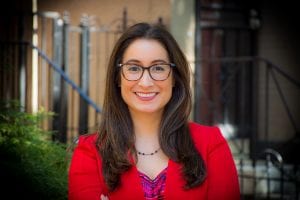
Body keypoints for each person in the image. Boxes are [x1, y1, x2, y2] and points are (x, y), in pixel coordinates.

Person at [68, 22, 240, 200]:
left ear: (175, 78)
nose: (146, 82)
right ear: (118, 78)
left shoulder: (211, 144)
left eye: (158, 68)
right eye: (134, 68)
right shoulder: (89, 151)